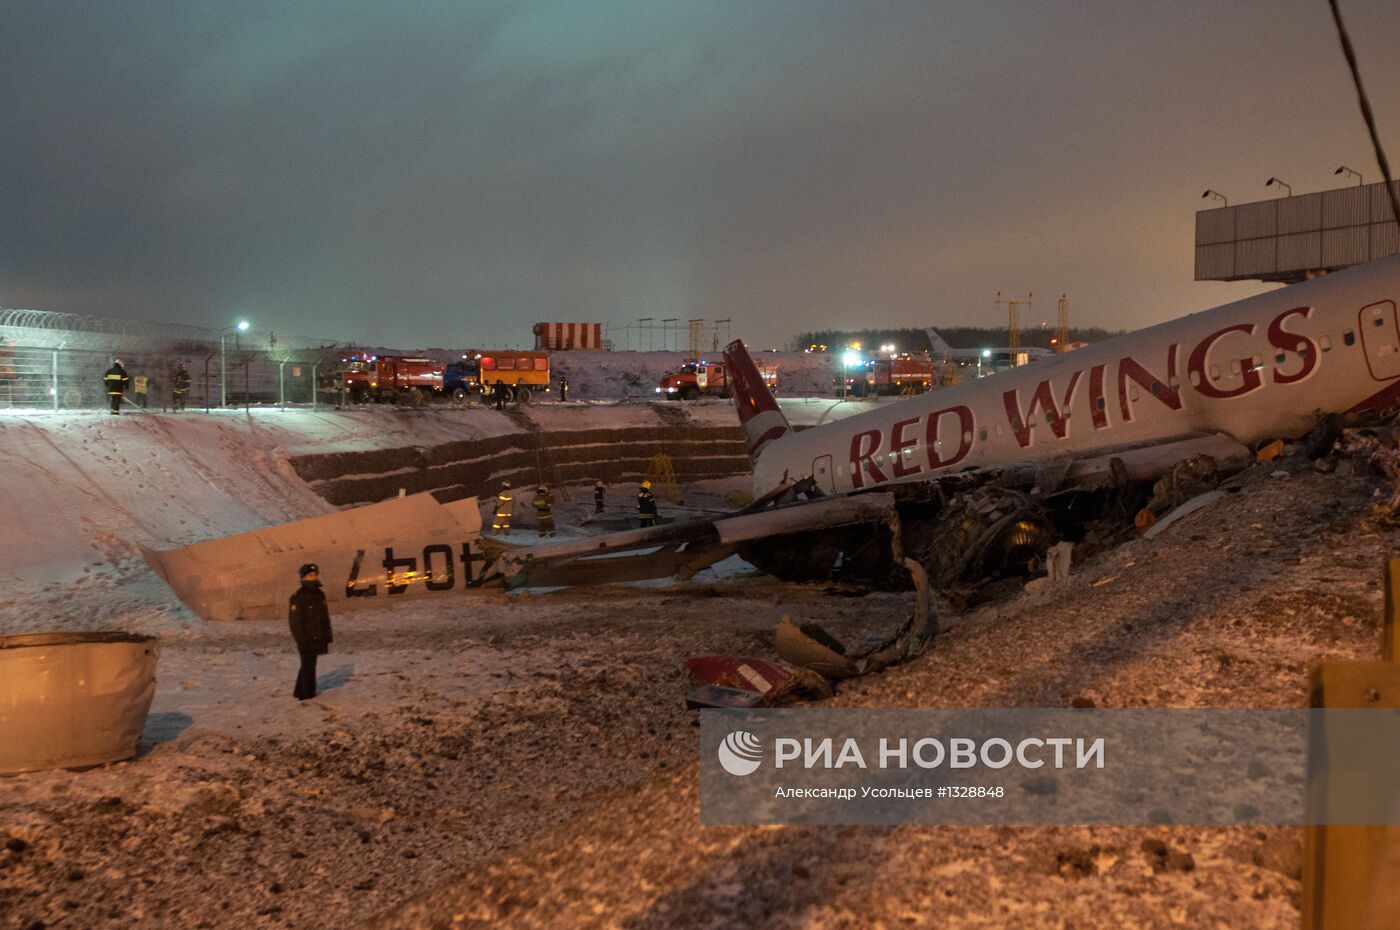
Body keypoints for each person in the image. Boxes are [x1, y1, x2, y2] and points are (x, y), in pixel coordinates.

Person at [288, 563, 332, 700]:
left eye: (314, 575)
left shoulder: (319, 594)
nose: (313, 578)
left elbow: (324, 618)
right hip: (306, 638)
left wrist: (327, 635)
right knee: (308, 667)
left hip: (317, 636)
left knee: (308, 665)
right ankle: (307, 695)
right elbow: (295, 622)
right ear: (303, 578)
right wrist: (301, 639)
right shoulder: (298, 597)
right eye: (310, 575)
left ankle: (299, 692)